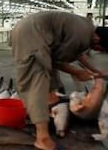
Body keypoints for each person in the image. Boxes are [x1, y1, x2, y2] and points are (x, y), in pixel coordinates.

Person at [10, 11, 107, 150]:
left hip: (32, 31)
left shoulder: (86, 29)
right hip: (31, 36)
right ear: (97, 39)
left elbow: (78, 53)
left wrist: (95, 71)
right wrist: (77, 72)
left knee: (50, 78)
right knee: (36, 80)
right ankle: (42, 137)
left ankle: (45, 110)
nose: (97, 50)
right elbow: (56, 61)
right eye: (100, 48)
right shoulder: (82, 36)